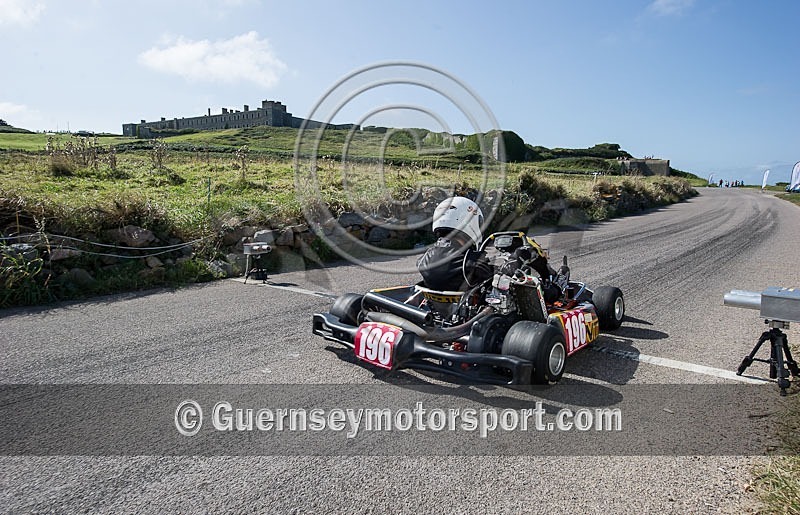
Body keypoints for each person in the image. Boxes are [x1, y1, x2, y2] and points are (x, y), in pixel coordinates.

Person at [416, 196, 493, 292]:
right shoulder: (472, 261)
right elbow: (492, 277)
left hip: (432, 305)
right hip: (464, 305)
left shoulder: (424, 259)